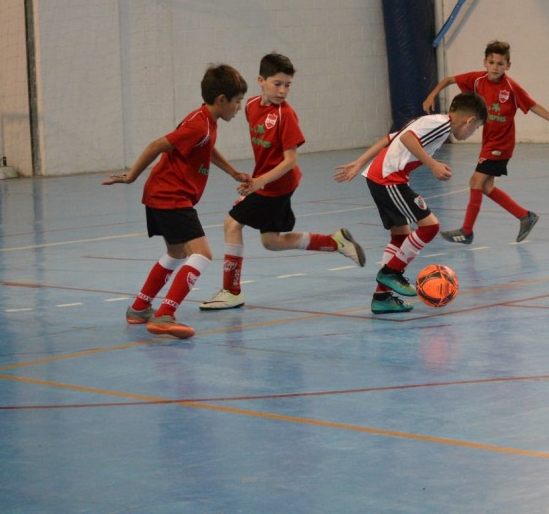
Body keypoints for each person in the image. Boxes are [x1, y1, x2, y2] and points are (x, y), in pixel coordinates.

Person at [198, 52, 365, 311]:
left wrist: (259, 183)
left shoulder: (286, 115)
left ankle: (232, 291)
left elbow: (289, 161)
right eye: (277, 84)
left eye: (288, 85)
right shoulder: (251, 106)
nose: (283, 90)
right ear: (261, 81)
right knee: (271, 241)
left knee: (232, 224)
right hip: (268, 183)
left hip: (276, 185)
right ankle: (335, 242)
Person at [102, 64, 250, 339]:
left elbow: (206, 148)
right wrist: (132, 176)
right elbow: (156, 145)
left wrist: (232, 172)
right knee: (202, 253)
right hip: (171, 196)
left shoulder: (205, 121)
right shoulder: (198, 124)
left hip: (160, 194)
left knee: (177, 253)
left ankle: (139, 308)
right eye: (237, 101)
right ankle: (165, 315)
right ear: (221, 100)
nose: (239, 108)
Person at [335, 91, 487, 314]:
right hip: (389, 179)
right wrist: (433, 164)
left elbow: (390, 138)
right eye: (475, 129)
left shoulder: (431, 122)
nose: (472, 133)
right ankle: (391, 272)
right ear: (469, 120)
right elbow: (407, 139)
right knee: (431, 226)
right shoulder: (441, 124)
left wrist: (359, 162)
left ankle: (382, 297)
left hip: (380, 176)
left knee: (401, 235)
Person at [422, 40, 549, 245]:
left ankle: (466, 232)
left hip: (501, 144)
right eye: (492, 62)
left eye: (500, 63)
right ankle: (525, 216)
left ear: (508, 66)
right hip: (488, 142)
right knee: (485, 187)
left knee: (475, 182)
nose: (495, 67)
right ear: (485, 62)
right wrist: (431, 95)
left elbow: (533, 106)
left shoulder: (511, 88)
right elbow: (449, 80)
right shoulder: (477, 80)